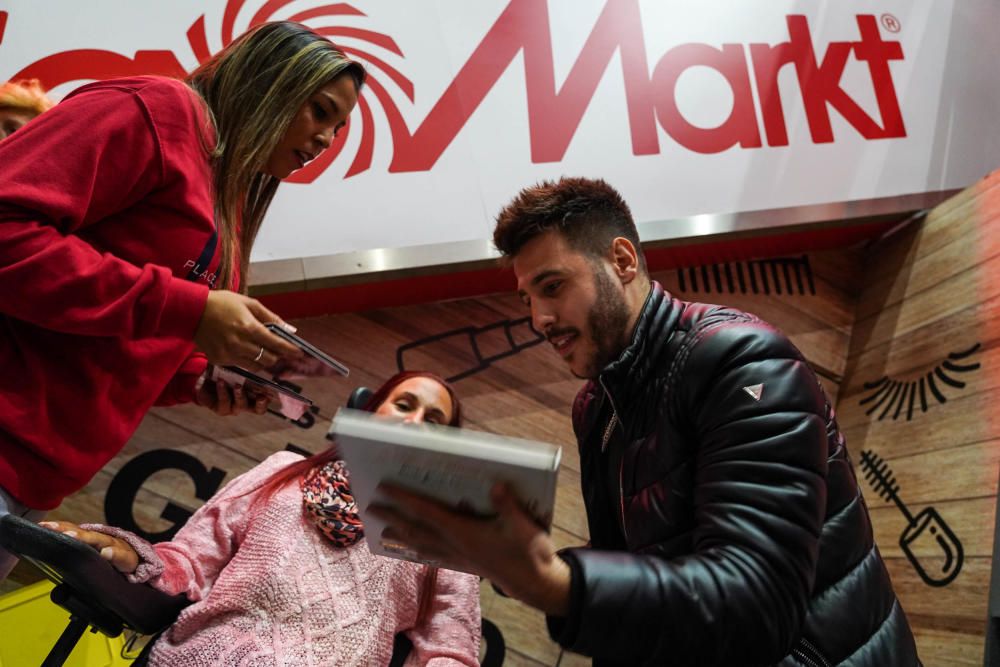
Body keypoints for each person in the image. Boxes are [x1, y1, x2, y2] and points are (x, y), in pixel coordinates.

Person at [371, 177, 920, 666]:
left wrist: (558, 583)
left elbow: (760, 609)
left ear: (623, 261)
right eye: (528, 297)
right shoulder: (596, 405)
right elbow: (638, 569)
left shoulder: (743, 359)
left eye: (554, 286)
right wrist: (518, 560)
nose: (539, 318)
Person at [0, 21, 367, 580]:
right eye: (319, 111)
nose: (324, 140)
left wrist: (195, 377)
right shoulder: (157, 109)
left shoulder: (227, 198)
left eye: (338, 130)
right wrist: (186, 310)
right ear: (270, 81)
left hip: (36, 478)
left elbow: (119, 342)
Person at [41, 371, 482, 667]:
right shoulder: (281, 471)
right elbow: (192, 561)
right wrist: (128, 554)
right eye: (404, 405)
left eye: (434, 422)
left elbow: (450, 649)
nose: (416, 422)